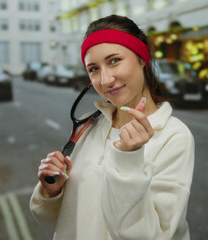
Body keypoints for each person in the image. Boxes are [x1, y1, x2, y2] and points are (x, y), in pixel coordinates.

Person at [30, 14, 195, 240]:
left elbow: (150, 236)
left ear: (142, 59)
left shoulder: (173, 136)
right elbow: (50, 218)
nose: (105, 80)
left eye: (114, 60)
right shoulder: (90, 125)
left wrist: (128, 160)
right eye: (94, 69)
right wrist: (52, 191)